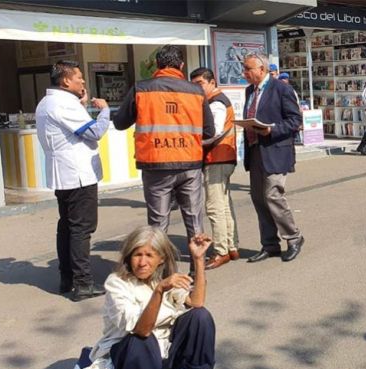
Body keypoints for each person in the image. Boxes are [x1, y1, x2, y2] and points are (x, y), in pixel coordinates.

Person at [79, 226, 225, 369]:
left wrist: (199, 259)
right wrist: (159, 290)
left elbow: (196, 301)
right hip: (129, 357)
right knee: (141, 341)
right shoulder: (117, 284)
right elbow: (141, 329)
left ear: (161, 259)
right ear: (129, 257)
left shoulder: (163, 278)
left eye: (149, 255)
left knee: (199, 317)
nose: (142, 261)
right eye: (137, 254)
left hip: (161, 352)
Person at [114, 45, 215, 270]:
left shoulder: (141, 89)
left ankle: (161, 274)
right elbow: (209, 131)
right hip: (189, 164)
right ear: (181, 65)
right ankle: (197, 272)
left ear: (157, 65)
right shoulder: (196, 91)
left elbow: (120, 123)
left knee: (158, 225)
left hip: (156, 164)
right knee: (194, 221)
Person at [36, 60, 109, 301]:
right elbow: (94, 132)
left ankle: (67, 277)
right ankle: (83, 283)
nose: (83, 81)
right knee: (81, 228)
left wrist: (83, 105)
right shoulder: (64, 104)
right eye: (79, 77)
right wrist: (105, 110)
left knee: (67, 226)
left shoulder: (48, 102)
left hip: (64, 175)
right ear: (66, 80)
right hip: (77, 176)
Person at [240, 53, 305, 263]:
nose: (245, 73)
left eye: (248, 69)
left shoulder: (281, 88)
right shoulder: (250, 90)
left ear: (261, 69)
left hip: (276, 150)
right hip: (256, 150)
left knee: (273, 195)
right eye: (244, 69)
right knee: (258, 198)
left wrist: (272, 129)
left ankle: (294, 237)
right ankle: (270, 245)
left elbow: (295, 120)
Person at [189, 67, 240, 271]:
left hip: (217, 157)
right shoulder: (215, 101)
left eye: (200, 83)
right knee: (224, 204)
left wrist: (194, 142)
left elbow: (214, 132)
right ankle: (231, 245)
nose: (198, 88)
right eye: (194, 84)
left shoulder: (216, 103)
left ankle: (221, 251)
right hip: (222, 157)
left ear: (212, 82)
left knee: (214, 206)